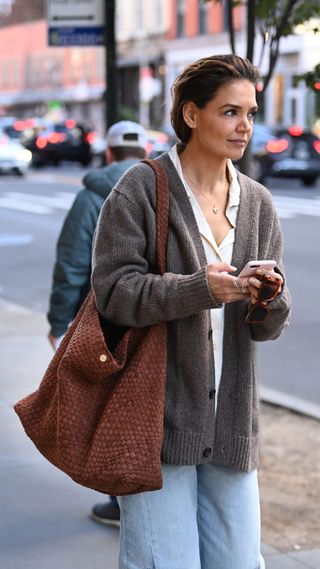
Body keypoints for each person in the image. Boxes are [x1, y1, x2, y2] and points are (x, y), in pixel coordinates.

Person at [91, 54, 291, 569]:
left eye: (250, 112)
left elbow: (268, 328)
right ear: (191, 114)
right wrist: (199, 288)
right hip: (157, 421)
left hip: (230, 424)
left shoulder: (259, 203)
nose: (244, 126)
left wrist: (267, 297)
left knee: (239, 563)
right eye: (229, 112)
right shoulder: (141, 189)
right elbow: (113, 292)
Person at [47, 120, 148, 527]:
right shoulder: (161, 188)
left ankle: (119, 497)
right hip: (153, 313)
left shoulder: (91, 197)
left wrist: (59, 321)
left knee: (110, 406)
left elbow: (71, 262)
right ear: (143, 151)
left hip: (103, 319)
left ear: (107, 153)